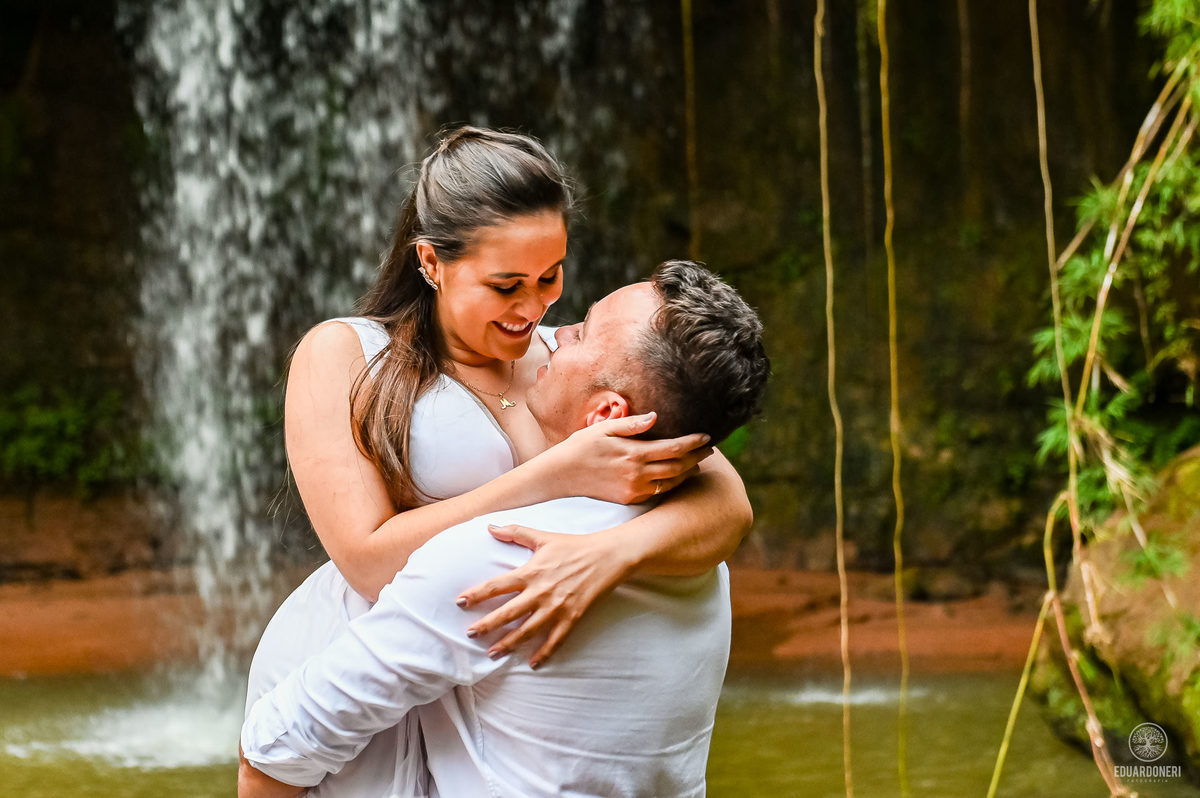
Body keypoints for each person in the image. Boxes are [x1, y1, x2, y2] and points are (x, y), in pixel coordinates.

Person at [245, 128, 754, 791]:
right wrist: (554, 474)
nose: (536, 306)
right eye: (506, 284)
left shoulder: (572, 366)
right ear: (431, 262)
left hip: (499, 715)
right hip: (358, 691)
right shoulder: (345, 355)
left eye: (551, 276)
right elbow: (368, 563)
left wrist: (610, 554)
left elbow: (726, 504)